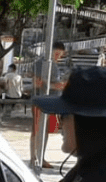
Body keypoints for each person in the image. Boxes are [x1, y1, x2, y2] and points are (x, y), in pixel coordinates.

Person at [30, 41, 66, 169]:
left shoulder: (54, 65)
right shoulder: (41, 63)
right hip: (41, 100)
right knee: (37, 129)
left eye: (60, 55)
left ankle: (40, 156)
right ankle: (34, 157)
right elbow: (37, 82)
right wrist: (55, 86)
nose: (58, 57)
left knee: (45, 130)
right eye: (56, 54)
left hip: (51, 101)